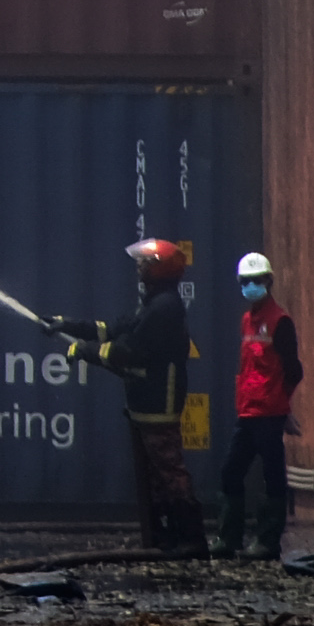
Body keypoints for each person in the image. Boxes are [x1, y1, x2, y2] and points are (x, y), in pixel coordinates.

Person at [52, 238, 209, 558]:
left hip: (158, 402)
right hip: (144, 400)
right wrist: (65, 325)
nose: (138, 267)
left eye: (145, 263)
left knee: (168, 469)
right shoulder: (153, 302)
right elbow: (113, 329)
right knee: (155, 473)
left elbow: (127, 350)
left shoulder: (164, 307)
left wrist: (86, 351)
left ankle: (190, 539)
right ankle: (164, 537)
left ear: (159, 269)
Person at [220, 251, 305, 563]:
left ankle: (268, 542)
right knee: (231, 472)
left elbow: (294, 370)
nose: (251, 286)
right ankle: (228, 538)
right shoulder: (247, 320)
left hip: (269, 415)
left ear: (269, 282)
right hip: (247, 412)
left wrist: (281, 406)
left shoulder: (280, 322)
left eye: (257, 281)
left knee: (272, 476)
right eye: (246, 281)